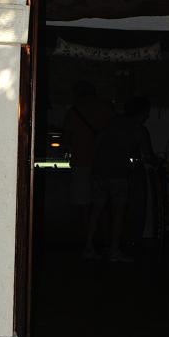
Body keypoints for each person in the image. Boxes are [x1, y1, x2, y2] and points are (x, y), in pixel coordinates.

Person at [85, 95, 157, 262]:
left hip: (99, 169)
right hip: (118, 172)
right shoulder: (139, 129)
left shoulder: (114, 122)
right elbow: (149, 157)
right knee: (119, 211)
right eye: (147, 113)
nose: (148, 116)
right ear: (141, 112)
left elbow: (96, 142)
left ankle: (88, 247)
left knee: (97, 208)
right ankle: (114, 251)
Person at [60, 80, 115, 237]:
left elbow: (65, 140)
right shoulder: (107, 108)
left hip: (81, 161)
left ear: (77, 94)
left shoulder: (73, 111)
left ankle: (88, 241)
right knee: (102, 204)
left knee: (84, 204)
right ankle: (106, 240)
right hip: (104, 162)